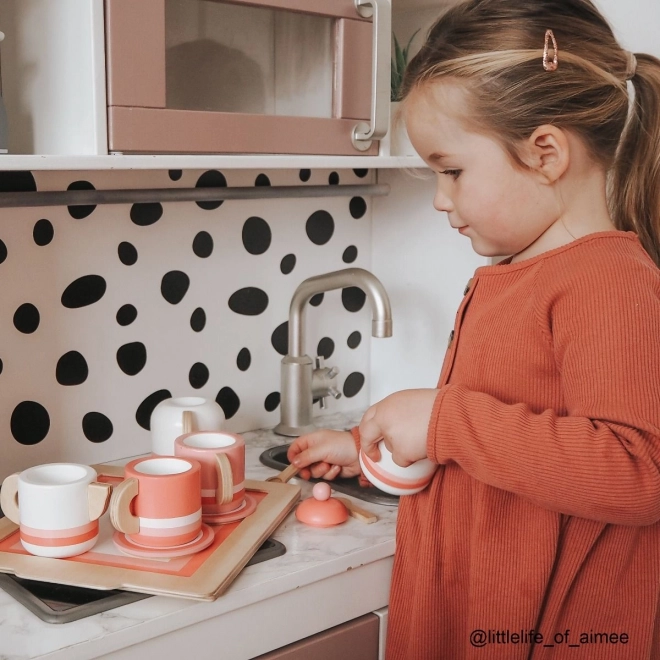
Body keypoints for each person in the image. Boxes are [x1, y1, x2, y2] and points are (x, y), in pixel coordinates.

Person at [287, 1, 660, 658]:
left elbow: (637, 472)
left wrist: (444, 421)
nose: (439, 198)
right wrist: (377, 457)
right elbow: (513, 448)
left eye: (451, 170)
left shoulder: (608, 280)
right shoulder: (522, 271)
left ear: (544, 151)